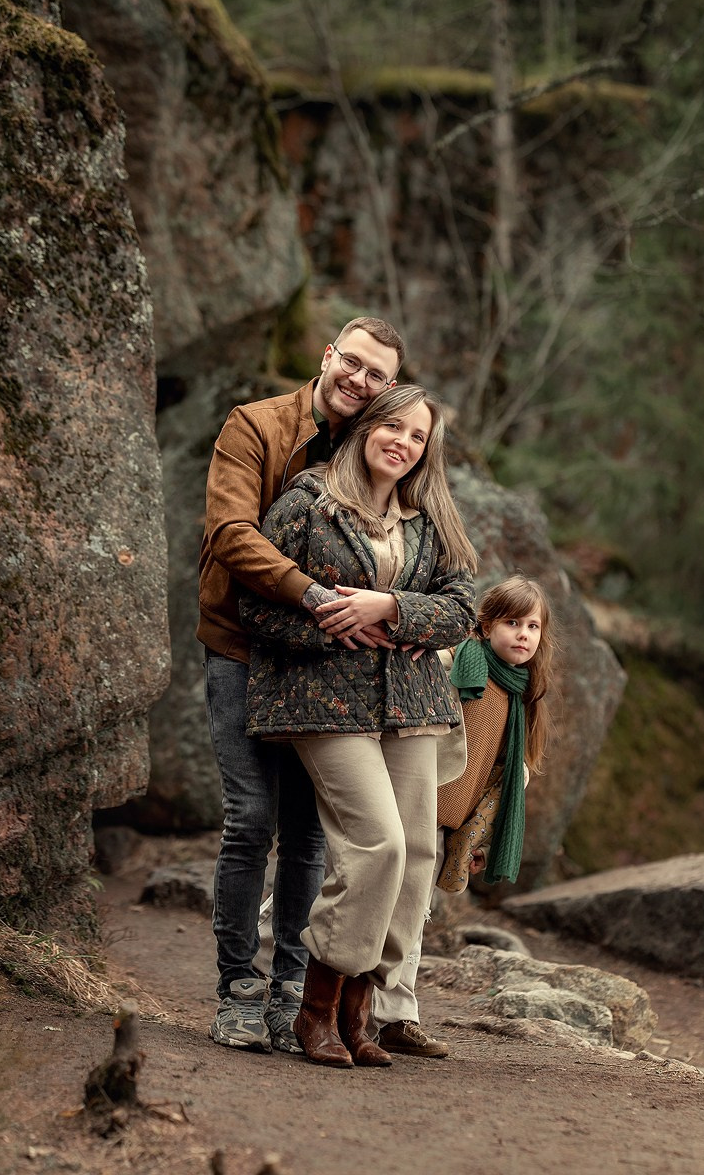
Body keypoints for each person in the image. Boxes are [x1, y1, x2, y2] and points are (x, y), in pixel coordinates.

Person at [239, 385, 478, 1068]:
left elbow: (461, 610)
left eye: (416, 435)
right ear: (366, 427)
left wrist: (389, 607)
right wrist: (332, 629)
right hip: (322, 704)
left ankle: (359, 1009)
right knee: (378, 846)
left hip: (412, 705)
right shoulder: (305, 503)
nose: (401, 442)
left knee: (416, 859)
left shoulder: (429, 517)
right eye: (391, 426)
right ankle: (313, 1007)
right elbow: (254, 609)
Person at [198, 316, 405, 1054]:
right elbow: (230, 532)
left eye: (375, 374)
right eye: (351, 363)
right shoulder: (255, 426)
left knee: (310, 832)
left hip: (324, 670)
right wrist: (317, 596)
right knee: (250, 817)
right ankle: (237, 990)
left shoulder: (371, 446)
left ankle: (293, 989)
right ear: (328, 356)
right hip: (242, 649)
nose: (359, 379)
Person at [372, 573, 557, 1055]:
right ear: (485, 623)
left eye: (533, 626)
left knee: (413, 915)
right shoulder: (456, 662)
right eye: (512, 622)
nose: (523, 634)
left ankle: (394, 1017)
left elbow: (499, 775)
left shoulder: (521, 694)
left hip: (449, 820)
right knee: (362, 893)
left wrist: (473, 838)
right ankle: (283, 976)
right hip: (410, 801)